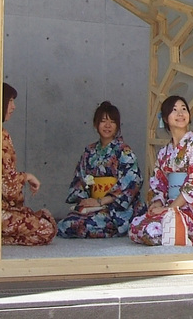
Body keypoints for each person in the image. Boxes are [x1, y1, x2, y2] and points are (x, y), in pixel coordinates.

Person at [129, 96, 193, 246]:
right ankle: (186, 237)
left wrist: (169, 209)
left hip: (192, 210)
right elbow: (158, 182)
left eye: (184, 109)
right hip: (169, 207)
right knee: (135, 227)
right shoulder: (164, 152)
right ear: (165, 118)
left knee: (152, 232)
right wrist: (158, 203)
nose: (180, 114)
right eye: (174, 110)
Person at [57, 101, 142, 238]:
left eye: (112, 122)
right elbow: (80, 179)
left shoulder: (124, 151)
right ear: (95, 124)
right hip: (93, 206)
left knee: (83, 225)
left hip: (116, 209)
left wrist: (102, 201)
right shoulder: (89, 151)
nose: (107, 125)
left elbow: (133, 181)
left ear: (117, 126)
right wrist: (85, 201)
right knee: (65, 224)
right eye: (103, 121)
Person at [1, 83, 57, 245]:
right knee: (46, 228)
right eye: (10, 101)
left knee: (45, 219)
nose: (13, 106)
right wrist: (27, 177)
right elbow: (7, 185)